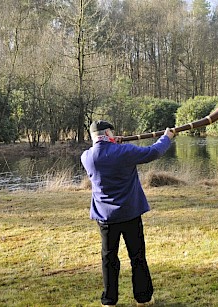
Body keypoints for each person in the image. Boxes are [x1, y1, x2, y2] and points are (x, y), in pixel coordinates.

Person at [81, 120, 175, 307]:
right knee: (137, 257)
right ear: (109, 133)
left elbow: (105, 152)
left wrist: (113, 144)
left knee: (109, 259)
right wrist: (167, 137)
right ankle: (143, 299)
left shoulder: (86, 157)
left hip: (105, 217)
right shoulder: (125, 152)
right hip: (130, 213)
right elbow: (153, 152)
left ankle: (109, 301)